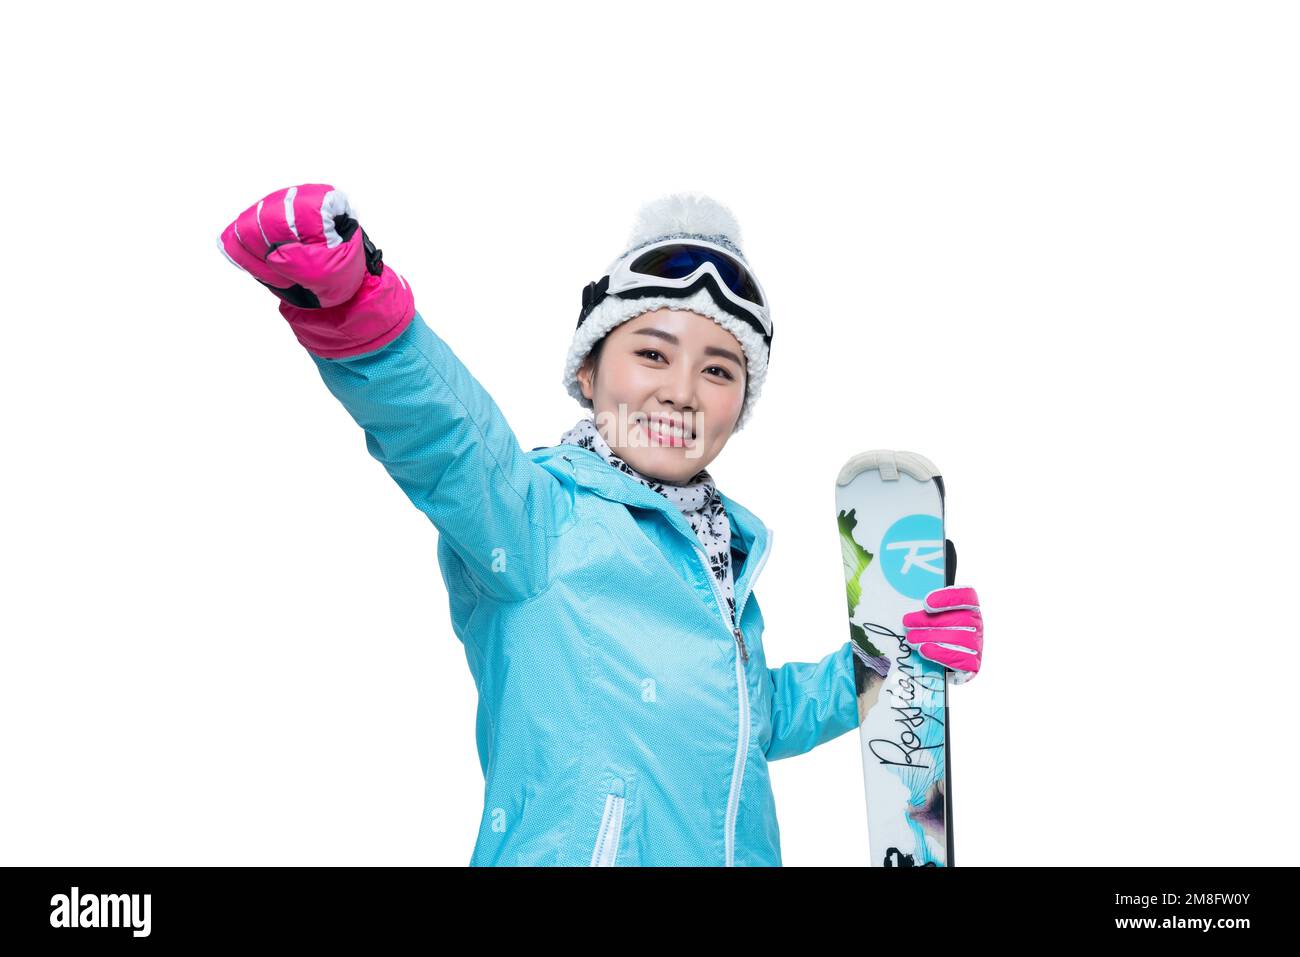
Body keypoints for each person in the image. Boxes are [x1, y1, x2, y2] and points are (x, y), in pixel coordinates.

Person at [217, 184, 985, 866]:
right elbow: (447, 439)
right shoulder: (535, 520)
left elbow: (755, 716)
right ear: (588, 372)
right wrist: (361, 316)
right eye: (653, 352)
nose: (682, 391)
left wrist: (895, 662)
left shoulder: (721, 564)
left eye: (719, 370)